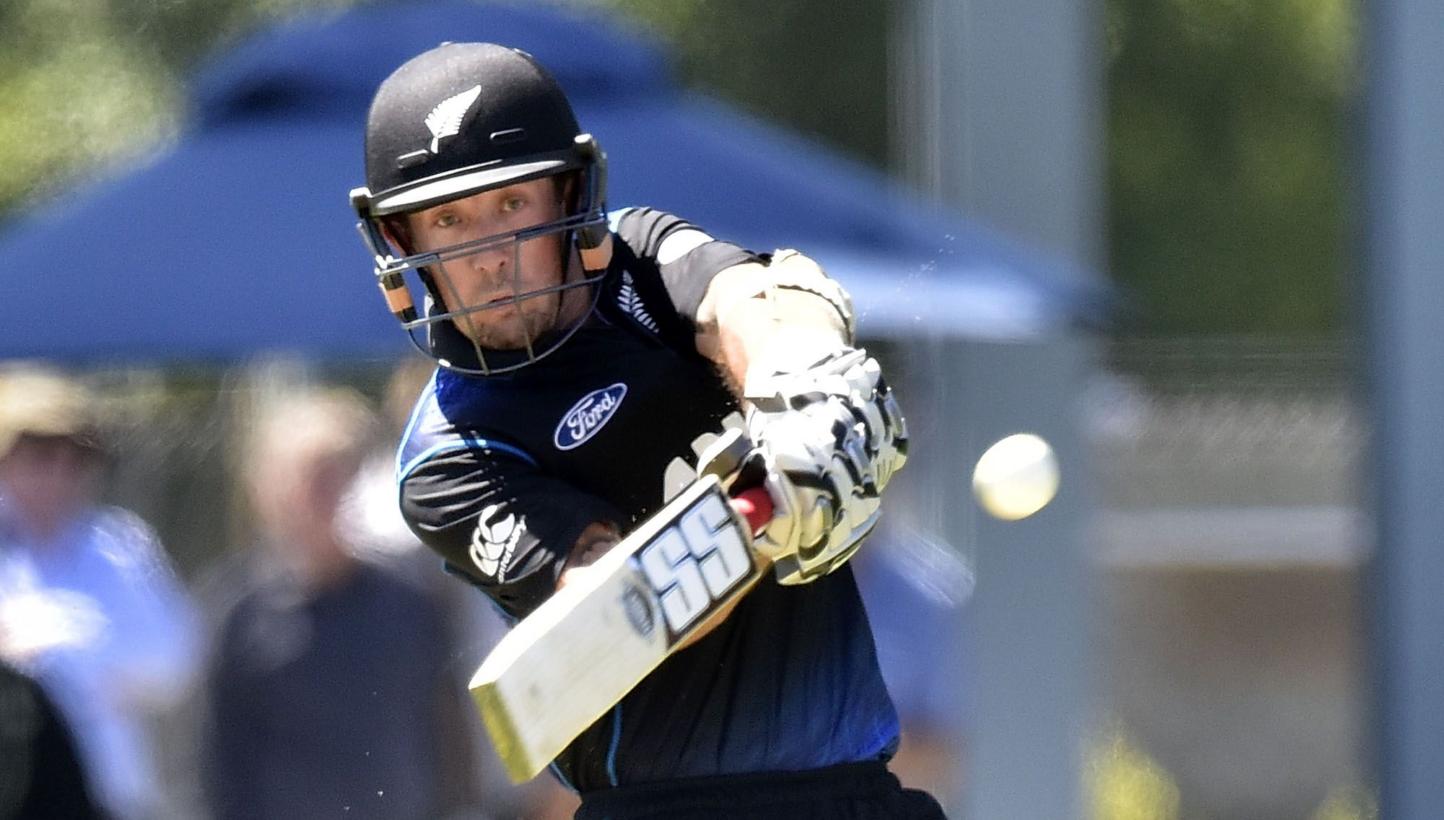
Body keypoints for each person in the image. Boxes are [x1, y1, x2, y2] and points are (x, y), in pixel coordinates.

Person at [349, 43, 938, 819]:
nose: (490, 257)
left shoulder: (639, 256)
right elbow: (620, 607)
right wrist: (770, 509)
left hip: (857, 793)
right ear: (404, 242)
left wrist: (806, 390)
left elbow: (759, 299)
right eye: (450, 219)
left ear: (567, 195)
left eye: (512, 204)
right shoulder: (447, 458)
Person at [202, 386, 484, 820]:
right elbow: (217, 764)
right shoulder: (239, 613)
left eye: (341, 476)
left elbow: (449, 734)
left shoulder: (411, 602)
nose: (329, 498)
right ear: (268, 491)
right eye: (312, 481)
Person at [0, 365, 202, 820]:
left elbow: (174, 656)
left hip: (110, 800)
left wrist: (67, 648)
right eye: (39, 454)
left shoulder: (118, 544)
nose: (60, 472)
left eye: (76, 456)